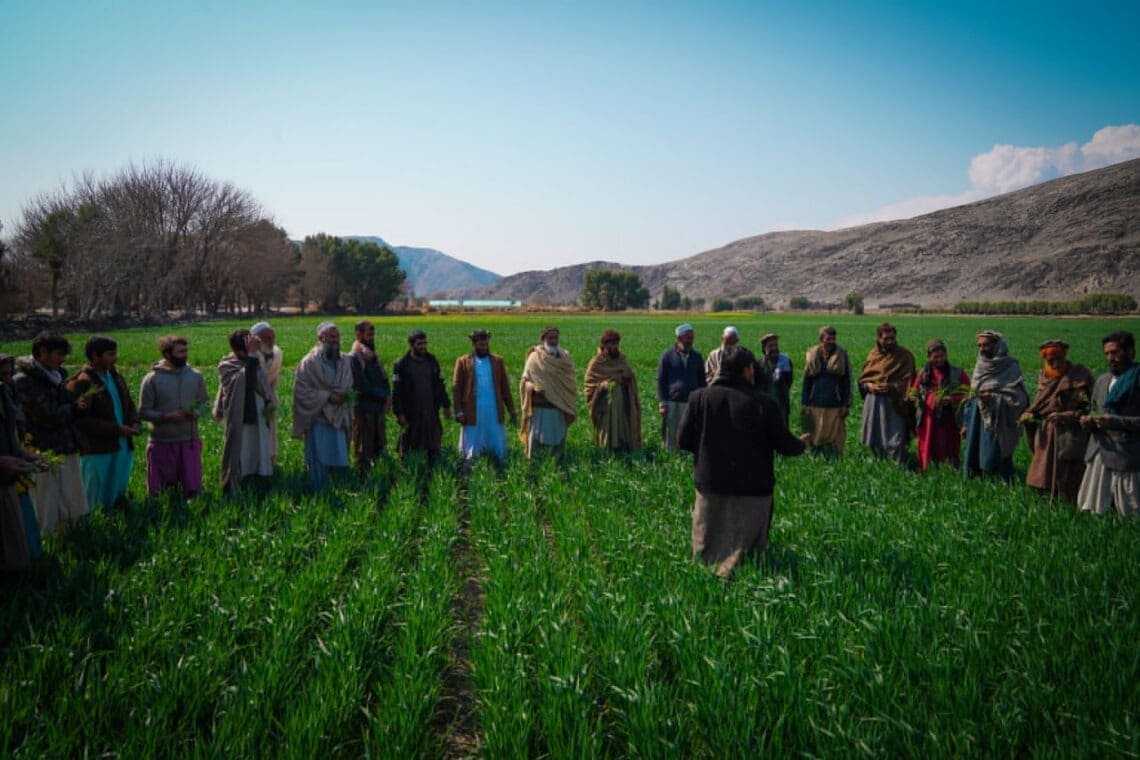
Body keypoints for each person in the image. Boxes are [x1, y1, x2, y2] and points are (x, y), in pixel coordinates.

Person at [678, 345, 806, 579]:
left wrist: (707, 452)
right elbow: (785, 446)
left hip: (711, 483)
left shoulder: (699, 398)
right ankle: (740, 572)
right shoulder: (764, 403)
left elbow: (683, 440)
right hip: (753, 487)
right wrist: (802, 444)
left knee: (709, 540)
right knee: (746, 550)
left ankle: (708, 576)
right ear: (747, 370)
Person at [13, 331, 89, 533]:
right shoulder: (24, 381)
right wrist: (73, 408)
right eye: (58, 354)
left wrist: (77, 407)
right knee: (47, 503)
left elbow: (64, 407)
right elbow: (46, 416)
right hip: (42, 450)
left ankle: (69, 540)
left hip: (66, 445)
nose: (62, 359)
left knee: (71, 500)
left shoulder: (57, 376)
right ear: (41, 352)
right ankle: (49, 544)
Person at [67, 336, 140, 510]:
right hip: (97, 448)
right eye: (110, 354)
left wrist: (134, 422)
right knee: (95, 495)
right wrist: (116, 429)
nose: (115, 358)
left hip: (121, 443)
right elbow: (81, 421)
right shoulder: (83, 381)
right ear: (95, 356)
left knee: (116, 490)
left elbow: (128, 404)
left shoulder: (116, 376)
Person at [1021, 340, 1095, 503]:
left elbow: (1093, 407)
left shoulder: (1080, 375)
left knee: (1071, 469)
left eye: (1058, 359)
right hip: (1047, 430)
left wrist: (1069, 415)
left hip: (1072, 431)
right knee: (1044, 468)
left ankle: (1074, 501)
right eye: (1050, 360)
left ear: (1064, 356)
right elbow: (1038, 404)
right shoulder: (1043, 376)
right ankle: (1049, 499)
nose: (1055, 363)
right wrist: (1029, 415)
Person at [1077, 331, 1140, 516]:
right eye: (1107, 353)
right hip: (1099, 450)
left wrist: (1114, 421)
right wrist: (1088, 421)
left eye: (1115, 352)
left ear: (1130, 352)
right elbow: (1094, 409)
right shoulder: (1102, 381)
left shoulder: (1137, 379)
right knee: (1094, 510)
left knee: (1130, 514)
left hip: (1127, 455)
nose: (1110, 358)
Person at [138, 335, 209, 498]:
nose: (185, 355)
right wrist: (165, 416)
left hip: (189, 440)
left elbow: (205, 403)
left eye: (186, 351)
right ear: (167, 354)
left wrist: (196, 412)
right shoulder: (152, 379)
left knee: (192, 492)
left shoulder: (195, 376)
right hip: (161, 441)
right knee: (160, 493)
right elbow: (143, 412)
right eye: (180, 352)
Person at [293, 323, 353, 491]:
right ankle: (319, 493)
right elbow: (302, 392)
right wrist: (328, 396)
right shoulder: (309, 363)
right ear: (321, 338)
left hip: (339, 417)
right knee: (320, 459)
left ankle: (341, 490)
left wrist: (343, 395)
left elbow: (349, 384)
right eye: (332, 337)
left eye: (337, 337)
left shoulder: (345, 361)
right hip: (319, 418)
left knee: (340, 456)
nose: (336, 340)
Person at [961, 330, 1028, 483]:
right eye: (979, 346)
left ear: (997, 345)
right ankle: (977, 481)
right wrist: (966, 422)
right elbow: (972, 394)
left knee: (996, 452)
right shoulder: (980, 365)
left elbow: (1020, 397)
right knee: (974, 449)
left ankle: (1002, 482)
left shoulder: (1010, 366)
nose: (982, 349)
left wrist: (995, 399)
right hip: (977, 416)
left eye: (986, 345)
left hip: (999, 418)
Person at [214, 328, 276, 493]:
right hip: (239, 414)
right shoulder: (227, 364)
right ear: (236, 350)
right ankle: (236, 485)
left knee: (258, 448)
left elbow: (263, 383)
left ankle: (256, 483)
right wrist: (251, 356)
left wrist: (269, 401)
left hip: (258, 411)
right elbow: (245, 381)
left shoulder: (256, 359)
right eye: (245, 350)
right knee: (240, 451)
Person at [453, 329, 516, 468]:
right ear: (474, 344)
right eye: (481, 345)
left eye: (486, 344)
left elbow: (505, 387)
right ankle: (469, 466)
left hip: (494, 408)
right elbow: (457, 388)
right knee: (472, 439)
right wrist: (458, 411)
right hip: (472, 409)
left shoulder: (497, 361)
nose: (484, 347)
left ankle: (499, 465)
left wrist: (511, 409)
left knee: (496, 437)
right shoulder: (463, 362)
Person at [0, 355, 42, 561]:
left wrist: (28, 457)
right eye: (2, 375)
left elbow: (11, 441)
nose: (7, 380)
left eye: (9, 374)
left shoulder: (6, 398)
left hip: (9, 478)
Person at [391, 330, 452, 466]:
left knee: (433, 444)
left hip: (430, 410)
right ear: (411, 345)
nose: (423, 347)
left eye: (425, 343)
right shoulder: (401, 364)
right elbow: (397, 392)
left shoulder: (432, 361)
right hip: (411, 412)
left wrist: (446, 405)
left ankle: (433, 471)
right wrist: (399, 412)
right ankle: (407, 471)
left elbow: (440, 384)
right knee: (408, 445)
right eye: (419, 344)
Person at [858, 323, 916, 463]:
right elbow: (863, 379)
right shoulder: (873, 355)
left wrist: (891, 387)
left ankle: (898, 466)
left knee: (895, 439)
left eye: (892, 338)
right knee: (874, 437)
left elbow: (910, 381)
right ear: (879, 338)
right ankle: (879, 465)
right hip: (874, 402)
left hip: (894, 402)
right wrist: (869, 386)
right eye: (886, 338)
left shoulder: (905, 356)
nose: (890, 341)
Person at [910, 339, 970, 471]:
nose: (939, 360)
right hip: (928, 418)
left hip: (950, 417)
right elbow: (914, 392)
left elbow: (968, 393)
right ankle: (926, 469)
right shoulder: (922, 374)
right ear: (929, 357)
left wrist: (952, 399)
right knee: (927, 443)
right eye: (935, 357)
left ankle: (950, 469)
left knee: (949, 444)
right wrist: (916, 397)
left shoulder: (957, 373)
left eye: (942, 356)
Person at [519, 326, 577, 460]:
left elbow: (570, 382)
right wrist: (531, 387)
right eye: (550, 338)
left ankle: (558, 466)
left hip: (559, 407)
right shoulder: (534, 357)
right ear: (543, 339)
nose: (554, 341)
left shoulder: (565, 358)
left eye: (556, 338)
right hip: (541, 408)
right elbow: (524, 381)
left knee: (558, 442)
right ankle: (534, 468)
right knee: (537, 441)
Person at [583, 329, 642, 452]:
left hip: (622, 405)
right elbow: (590, 386)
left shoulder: (622, 360)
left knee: (622, 429)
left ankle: (623, 449)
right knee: (608, 432)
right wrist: (605, 385)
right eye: (612, 344)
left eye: (617, 344)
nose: (615, 347)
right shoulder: (596, 363)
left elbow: (629, 378)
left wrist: (628, 376)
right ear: (604, 345)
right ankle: (607, 452)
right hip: (605, 406)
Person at [801, 326, 852, 456]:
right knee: (813, 434)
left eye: (833, 339)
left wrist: (846, 404)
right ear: (821, 339)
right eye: (828, 339)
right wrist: (804, 402)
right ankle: (814, 457)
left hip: (835, 403)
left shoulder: (842, 355)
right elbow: (806, 382)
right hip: (814, 403)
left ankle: (833, 458)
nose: (831, 342)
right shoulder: (812, 355)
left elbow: (847, 382)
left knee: (835, 436)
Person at [349, 320, 391, 473]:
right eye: (369, 334)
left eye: (373, 334)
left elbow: (383, 378)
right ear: (358, 335)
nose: (372, 337)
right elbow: (361, 385)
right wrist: (383, 396)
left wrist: (387, 395)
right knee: (363, 451)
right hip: (363, 411)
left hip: (377, 410)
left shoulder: (373, 357)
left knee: (379, 446)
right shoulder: (354, 357)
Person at [657, 323, 705, 451]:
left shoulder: (697, 357)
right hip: (673, 402)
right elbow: (661, 381)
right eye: (688, 338)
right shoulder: (667, 356)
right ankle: (671, 459)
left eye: (692, 338)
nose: (691, 341)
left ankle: (688, 456)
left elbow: (702, 381)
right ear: (679, 339)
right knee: (671, 435)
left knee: (691, 433)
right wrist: (662, 403)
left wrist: (702, 401)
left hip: (692, 402)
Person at [250, 321, 283, 467]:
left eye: (272, 336)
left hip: (269, 400)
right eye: (266, 337)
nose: (271, 340)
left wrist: (269, 398)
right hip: (253, 399)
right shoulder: (251, 355)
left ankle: (270, 464)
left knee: (270, 434)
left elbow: (274, 378)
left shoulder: (277, 353)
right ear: (256, 338)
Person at [758, 333, 793, 426]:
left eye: (775, 345)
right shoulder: (759, 364)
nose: (774, 348)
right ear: (764, 348)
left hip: (781, 403)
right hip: (765, 403)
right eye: (770, 346)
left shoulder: (785, 361)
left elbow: (789, 381)